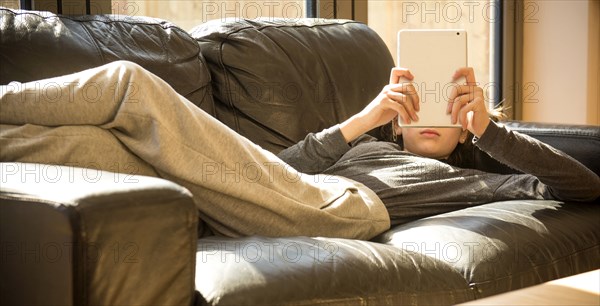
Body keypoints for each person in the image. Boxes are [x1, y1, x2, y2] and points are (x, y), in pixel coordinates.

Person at [1, 61, 598, 239]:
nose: (432, 115)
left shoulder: (480, 182)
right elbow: (275, 174)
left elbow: (585, 188)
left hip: (342, 208)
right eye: (419, 108)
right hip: (257, 191)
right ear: (399, 124)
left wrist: (488, 133)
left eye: (449, 112)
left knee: (130, 82)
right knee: (86, 143)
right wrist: (363, 120)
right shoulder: (364, 145)